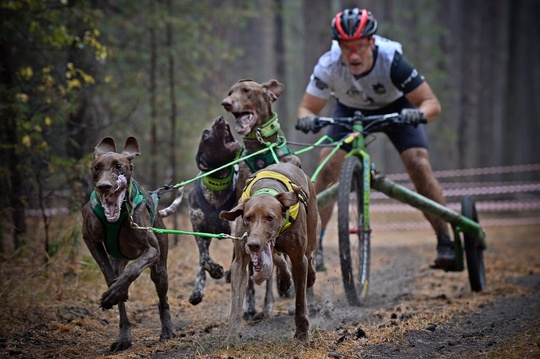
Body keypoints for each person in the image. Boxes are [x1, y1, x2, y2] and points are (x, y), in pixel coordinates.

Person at [296, 8, 455, 271]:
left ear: (372, 42)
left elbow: (432, 104)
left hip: (396, 109)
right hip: (349, 111)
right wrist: (308, 119)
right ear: (338, 46)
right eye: (347, 48)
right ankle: (316, 247)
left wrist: (417, 114)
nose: (354, 55)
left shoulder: (392, 60)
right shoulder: (328, 64)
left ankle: (445, 239)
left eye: (359, 46)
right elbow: (306, 108)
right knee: (326, 166)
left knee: (418, 164)